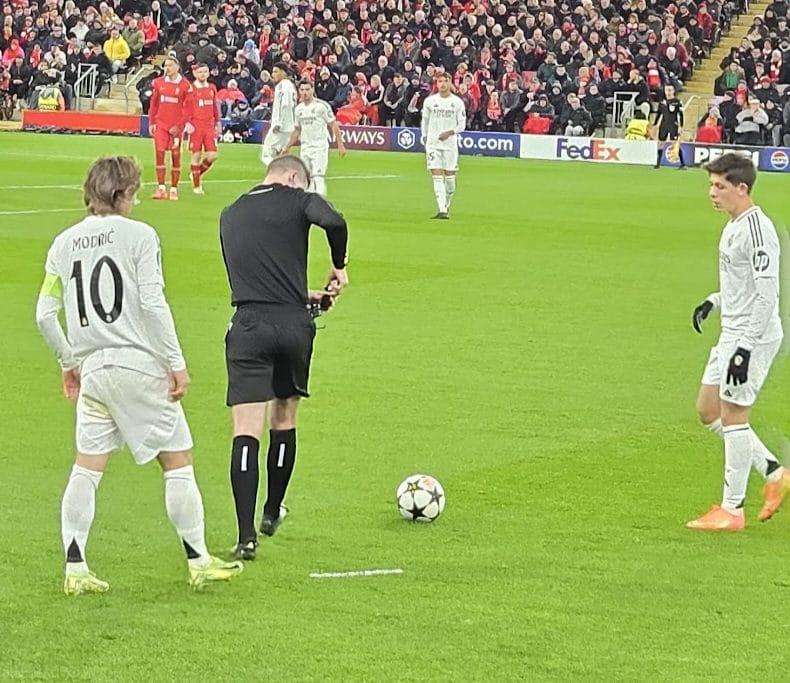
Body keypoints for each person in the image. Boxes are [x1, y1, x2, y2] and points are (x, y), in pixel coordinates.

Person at [34, 156, 243, 594]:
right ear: (123, 193)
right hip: (138, 364)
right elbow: (152, 303)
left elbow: (44, 315)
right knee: (177, 459)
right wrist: (176, 362)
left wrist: (68, 363)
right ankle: (198, 560)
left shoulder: (63, 243)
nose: (139, 197)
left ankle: (75, 568)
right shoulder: (141, 236)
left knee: (87, 468)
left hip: (93, 369)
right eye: (136, 189)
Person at [219, 155, 349, 561]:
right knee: (284, 419)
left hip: (250, 324)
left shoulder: (231, 212)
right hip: (293, 327)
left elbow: (257, 275)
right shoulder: (299, 198)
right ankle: (272, 512)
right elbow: (334, 221)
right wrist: (338, 266)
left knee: (245, 431)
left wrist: (297, 293)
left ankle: (245, 538)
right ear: (294, 177)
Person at [688, 153, 786, 531]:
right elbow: (741, 286)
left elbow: (766, 296)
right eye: (711, 186)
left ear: (742, 188)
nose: (712, 193)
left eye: (720, 186)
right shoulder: (734, 224)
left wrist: (745, 348)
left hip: (752, 336)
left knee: (733, 416)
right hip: (733, 329)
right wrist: (714, 301)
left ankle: (732, 510)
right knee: (708, 410)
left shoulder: (758, 232)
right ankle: (775, 473)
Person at [281, 80, 347, 196]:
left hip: (320, 147)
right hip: (305, 147)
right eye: (302, 90)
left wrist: (340, 145)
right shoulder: (298, 109)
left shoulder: (322, 106)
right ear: (299, 91)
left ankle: (321, 203)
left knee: (318, 177)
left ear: (312, 90)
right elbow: (297, 130)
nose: (305, 92)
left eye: (307, 89)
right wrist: (287, 147)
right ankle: (310, 205)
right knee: (306, 178)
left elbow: (333, 125)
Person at [421, 72, 466, 220]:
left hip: (450, 144)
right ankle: (441, 209)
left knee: (451, 179)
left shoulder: (457, 102)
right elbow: (425, 121)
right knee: (436, 175)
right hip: (433, 144)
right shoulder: (430, 101)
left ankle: (445, 206)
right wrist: (425, 137)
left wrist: (450, 132)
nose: (442, 84)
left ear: (450, 83)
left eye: (445, 81)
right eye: (440, 81)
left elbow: (462, 125)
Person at [148, 56, 192, 201]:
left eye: (170, 65)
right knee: (160, 154)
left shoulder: (185, 86)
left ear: (177, 67)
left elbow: (188, 109)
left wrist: (179, 126)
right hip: (161, 124)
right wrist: (151, 123)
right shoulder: (158, 83)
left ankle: (174, 189)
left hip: (176, 128)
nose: (167, 68)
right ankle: (161, 188)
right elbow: (153, 105)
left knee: (175, 156)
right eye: (166, 66)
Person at [187, 63, 220, 195]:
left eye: (205, 71)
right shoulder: (191, 89)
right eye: (200, 72)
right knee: (196, 155)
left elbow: (214, 106)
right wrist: (188, 123)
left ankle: (196, 173)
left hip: (209, 126)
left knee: (213, 155)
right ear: (195, 73)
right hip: (196, 125)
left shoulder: (212, 88)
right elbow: (186, 107)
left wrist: (217, 122)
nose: (203, 74)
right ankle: (196, 187)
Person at [260, 62, 297, 165]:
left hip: (281, 126)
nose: (273, 74)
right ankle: (288, 172)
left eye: (276, 71)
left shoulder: (282, 86)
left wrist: (278, 123)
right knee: (281, 153)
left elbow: (285, 105)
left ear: (283, 72)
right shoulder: (291, 86)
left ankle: (277, 171)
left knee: (266, 153)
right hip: (289, 125)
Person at [654, 85, 686, 169]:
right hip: (664, 125)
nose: (668, 92)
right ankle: (657, 164)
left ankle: (683, 164)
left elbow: (681, 115)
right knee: (660, 143)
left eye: (670, 90)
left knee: (674, 143)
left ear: (673, 91)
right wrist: (655, 124)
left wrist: (681, 126)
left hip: (673, 125)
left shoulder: (677, 102)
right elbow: (658, 114)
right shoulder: (662, 102)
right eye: (666, 90)